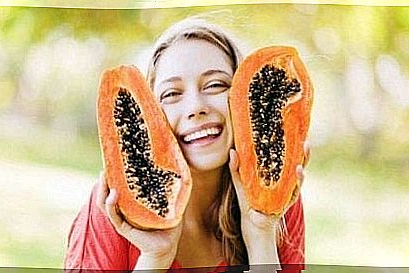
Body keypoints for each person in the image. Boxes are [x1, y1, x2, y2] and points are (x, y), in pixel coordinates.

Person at [64, 17, 309, 272]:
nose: (196, 108)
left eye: (215, 85)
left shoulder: (275, 205)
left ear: (244, 97)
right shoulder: (111, 209)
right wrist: (155, 258)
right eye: (172, 94)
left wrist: (261, 236)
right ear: (151, 113)